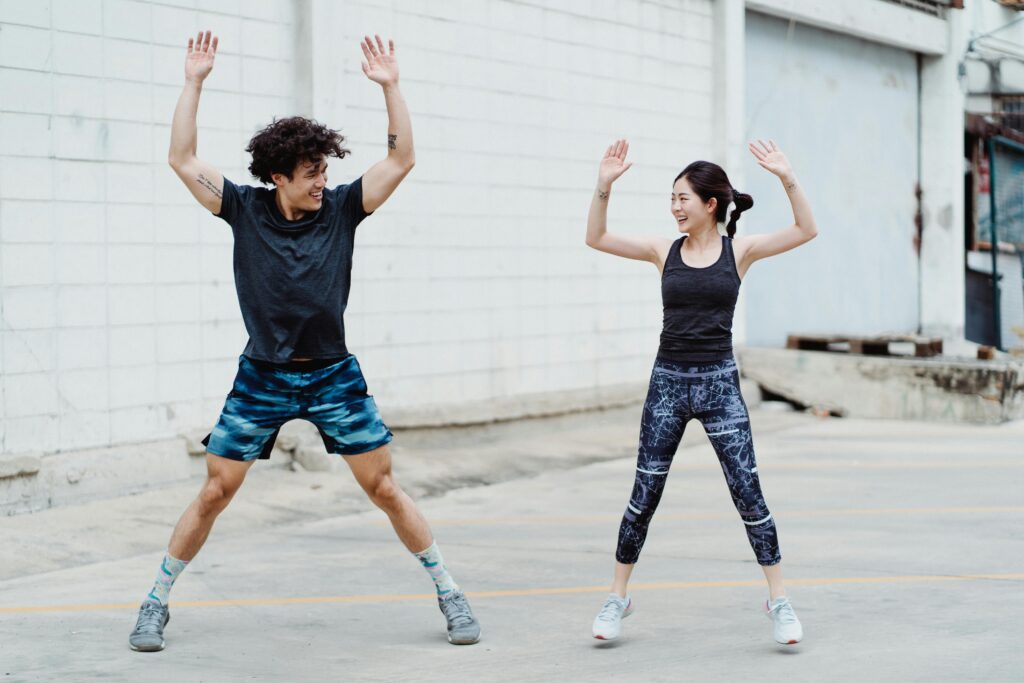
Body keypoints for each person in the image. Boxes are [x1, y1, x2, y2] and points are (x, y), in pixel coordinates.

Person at [129, 31, 480, 652]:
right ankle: (155, 602)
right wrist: (194, 82)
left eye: (325, 171)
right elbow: (182, 159)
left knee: (384, 487)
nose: (322, 182)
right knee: (215, 491)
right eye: (311, 173)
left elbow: (401, 160)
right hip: (262, 375)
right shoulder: (242, 208)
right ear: (278, 177)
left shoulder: (343, 209)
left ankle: (450, 592)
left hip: (332, 375)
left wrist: (391, 87)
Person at [584, 139, 818, 644]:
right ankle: (617, 598)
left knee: (748, 493)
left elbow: (806, 229)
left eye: (682, 198)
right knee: (644, 494)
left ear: (710, 204)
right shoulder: (661, 251)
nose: (674, 207)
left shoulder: (740, 252)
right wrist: (603, 186)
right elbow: (596, 237)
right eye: (671, 199)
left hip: (719, 385)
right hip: (667, 384)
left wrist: (787, 176)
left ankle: (779, 600)